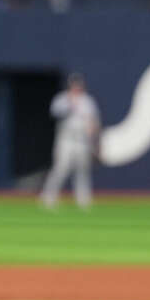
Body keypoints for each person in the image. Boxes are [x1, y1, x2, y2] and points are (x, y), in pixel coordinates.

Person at [40, 72, 99, 209]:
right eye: (74, 84)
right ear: (70, 85)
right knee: (60, 169)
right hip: (66, 139)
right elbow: (55, 113)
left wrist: (93, 139)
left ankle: (83, 201)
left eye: (78, 85)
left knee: (82, 171)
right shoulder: (62, 99)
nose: (76, 87)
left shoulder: (87, 101)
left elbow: (93, 121)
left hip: (83, 141)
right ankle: (48, 198)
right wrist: (70, 104)